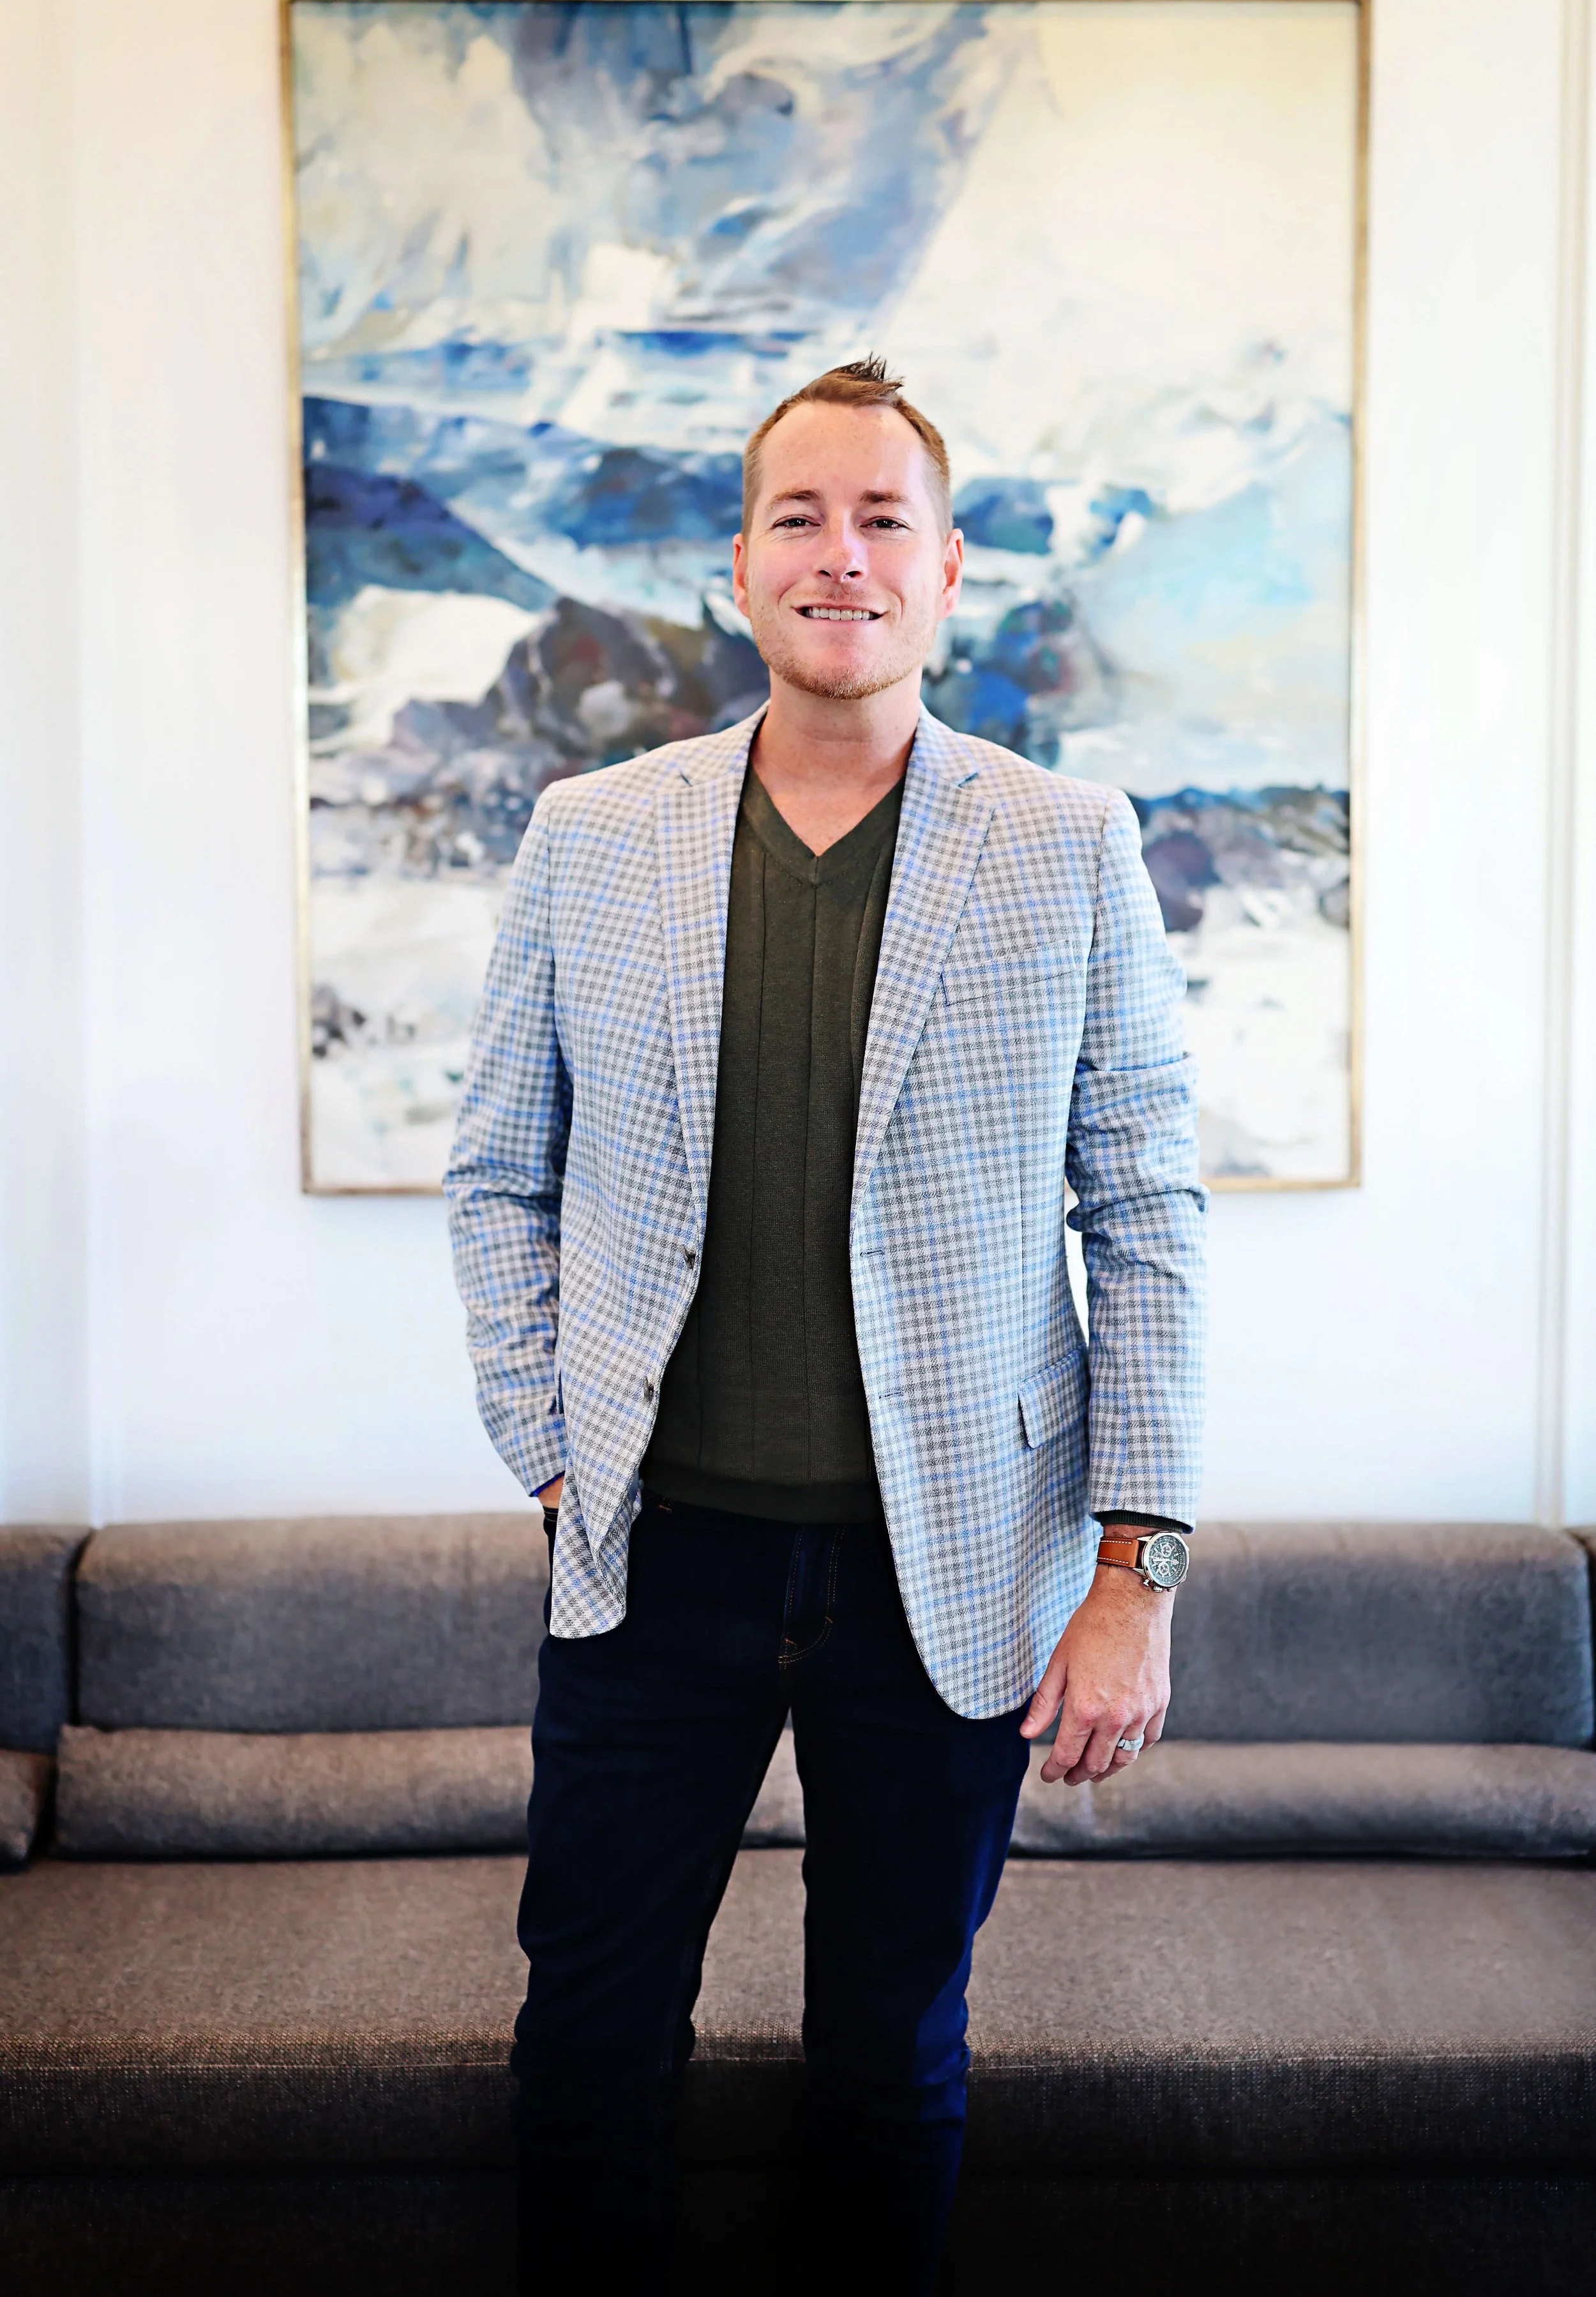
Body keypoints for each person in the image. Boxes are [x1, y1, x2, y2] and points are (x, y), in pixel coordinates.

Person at [445, 357, 1206, 2295]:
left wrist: (1136, 1566)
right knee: (590, 2043)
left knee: (889, 2054)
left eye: (882, 518)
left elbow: (1142, 1213)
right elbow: (495, 1176)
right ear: (738, 568)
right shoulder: (589, 833)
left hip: (945, 1573)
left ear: (945, 569)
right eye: (800, 514)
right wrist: (549, 1445)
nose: (839, 553)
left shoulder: (1065, 841)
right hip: (651, 1558)